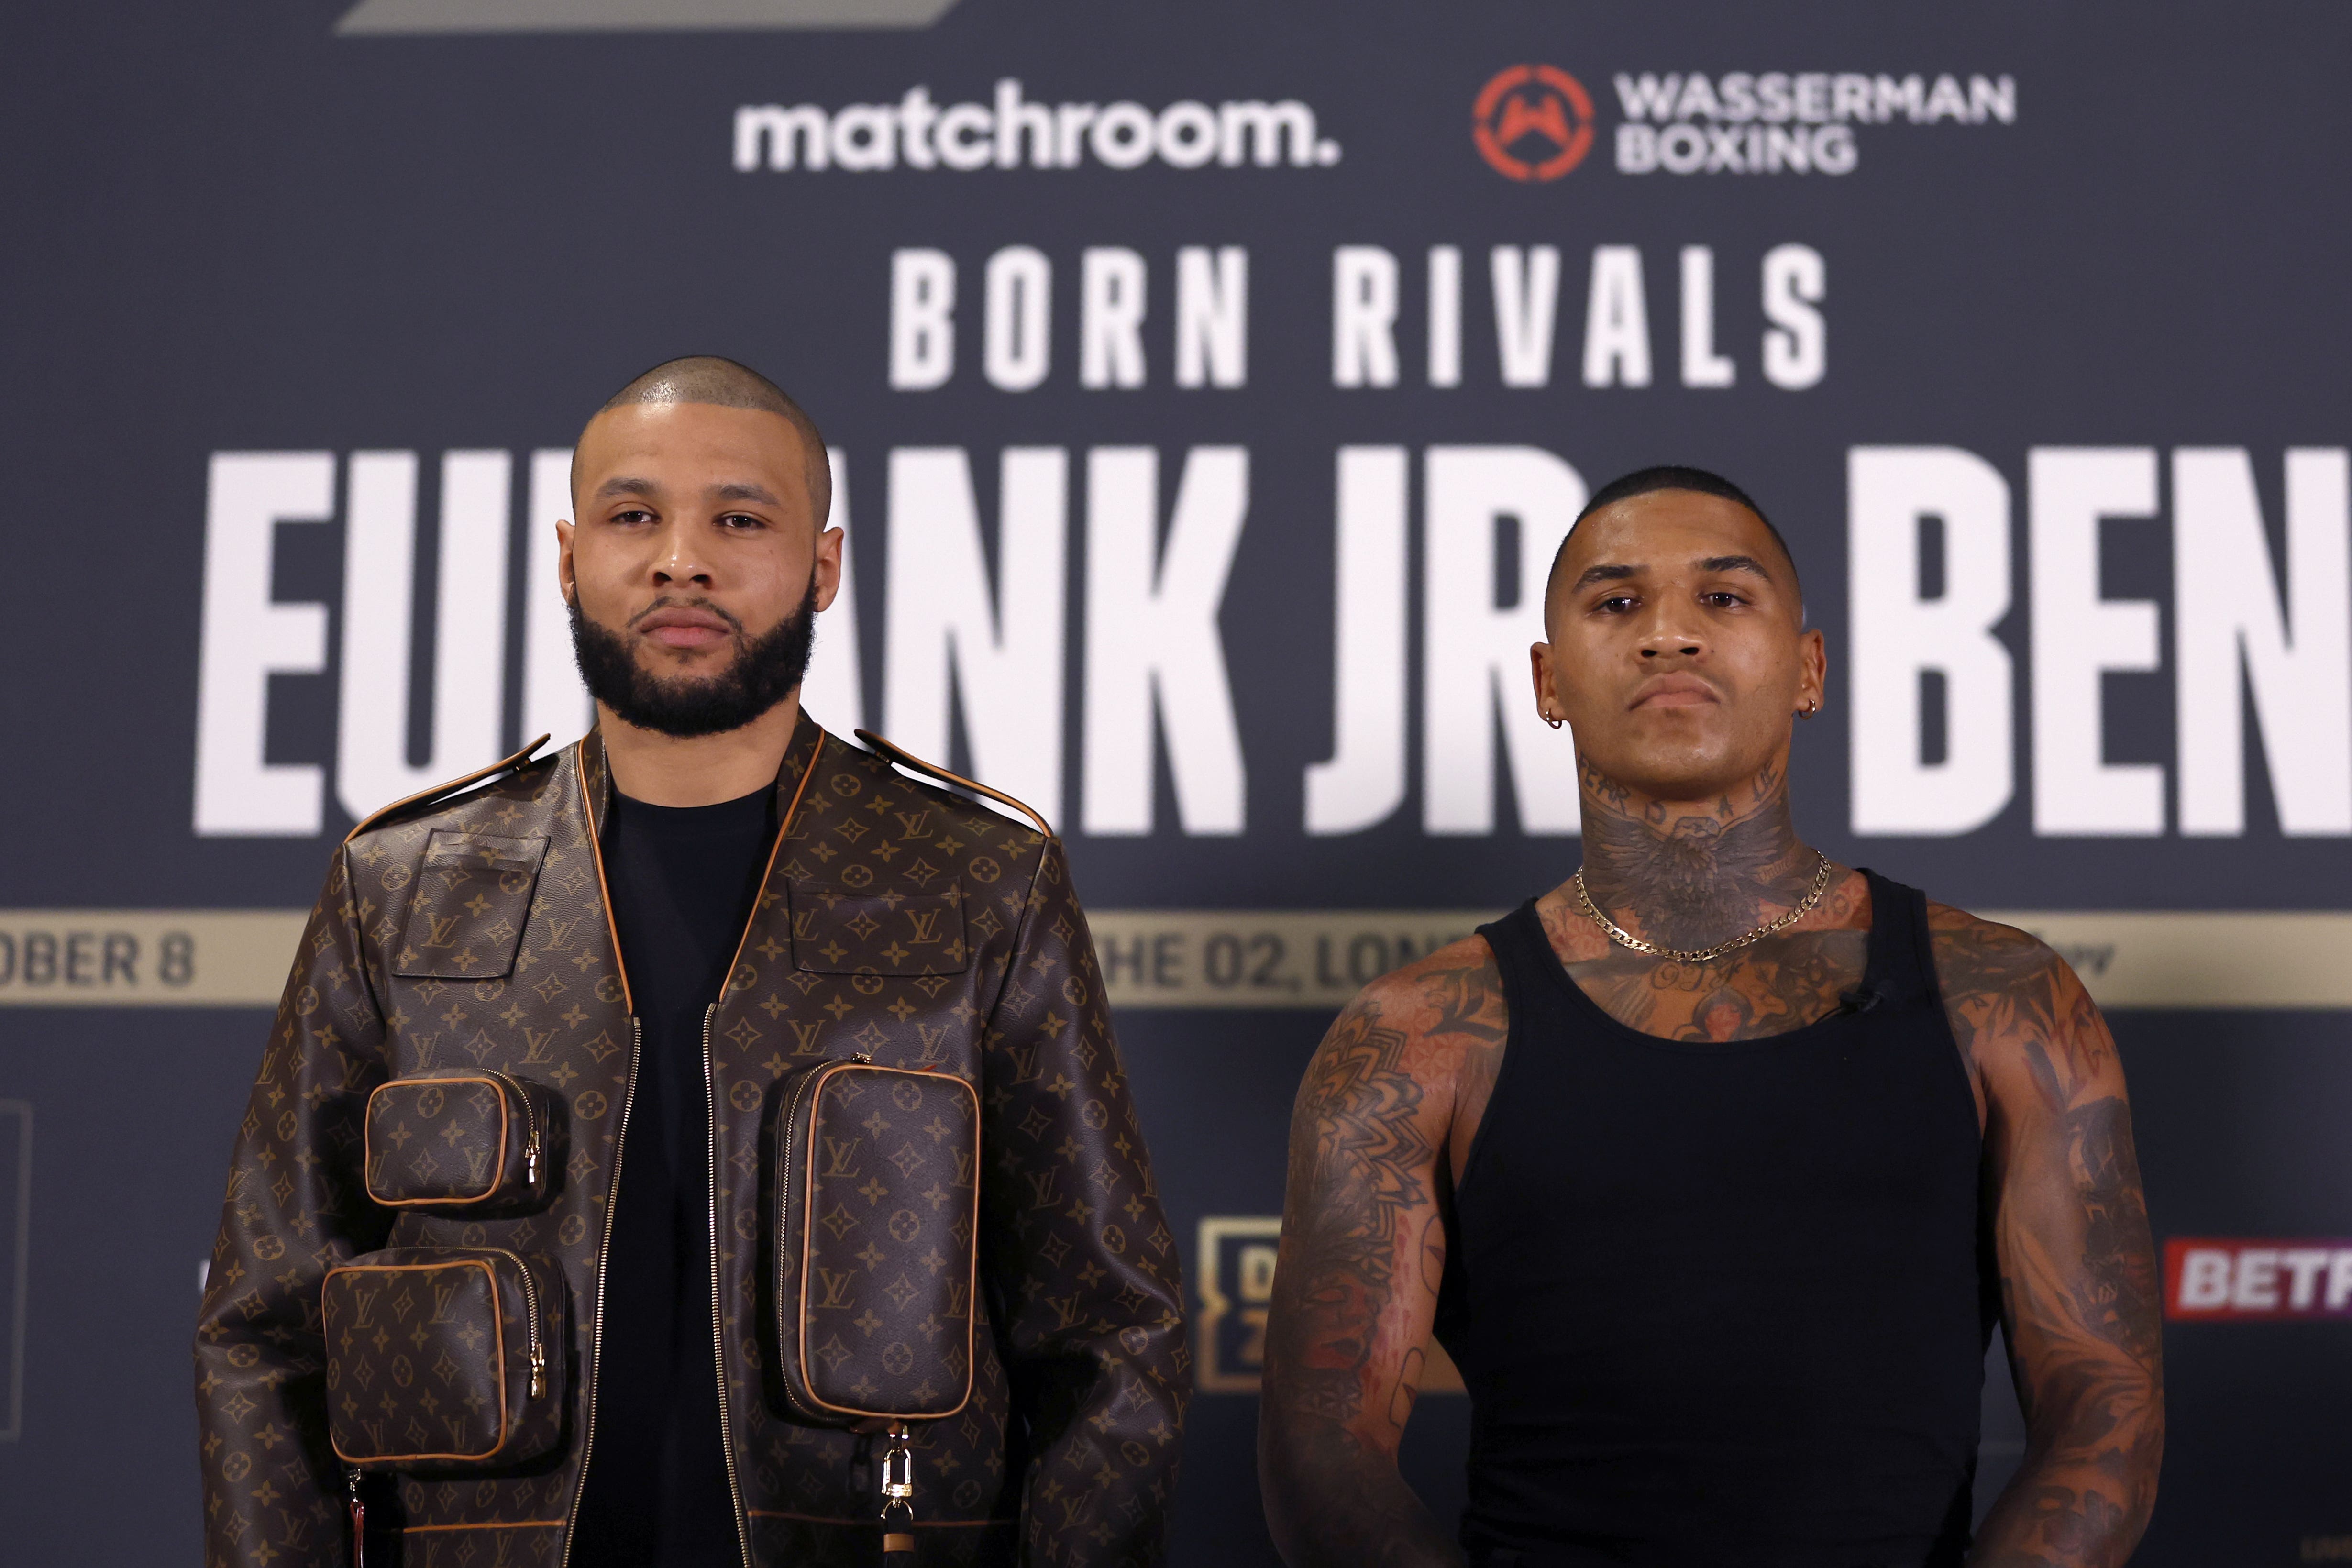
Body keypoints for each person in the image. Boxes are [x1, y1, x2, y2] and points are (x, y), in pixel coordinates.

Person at [196, 356, 1189, 1568]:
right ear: (569, 557)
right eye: (633, 517)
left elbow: (1112, 1330)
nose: (681, 558)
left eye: (737, 517)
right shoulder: (403, 887)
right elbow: (264, 1328)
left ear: (822, 567)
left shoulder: (979, 880)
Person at [1258, 467, 2163, 1568]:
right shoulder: (1415, 1035)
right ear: (1548, 680)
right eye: (1615, 602)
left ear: (1809, 668)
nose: (1668, 636)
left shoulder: (2003, 998)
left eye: (1723, 599)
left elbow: (2101, 1417)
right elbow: (1321, 1452)